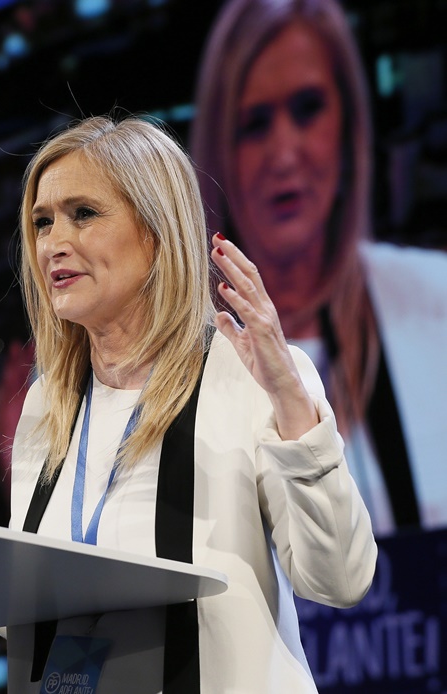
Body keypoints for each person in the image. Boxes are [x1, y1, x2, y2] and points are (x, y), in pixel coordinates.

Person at [0, 115, 376, 692]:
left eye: (83, 214)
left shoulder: (250, 376)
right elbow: (31, 612)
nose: (54, 243)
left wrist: (291, 403)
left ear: (155, 231)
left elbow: (340, 579)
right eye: (41, 222)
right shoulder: (48, 405)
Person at [189, 0, 447, 534]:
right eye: (255, 124)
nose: (285, 153)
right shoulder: (185, 355)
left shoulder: (436, 303)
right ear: (221, 149)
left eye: (307, 109)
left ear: (348, 126)